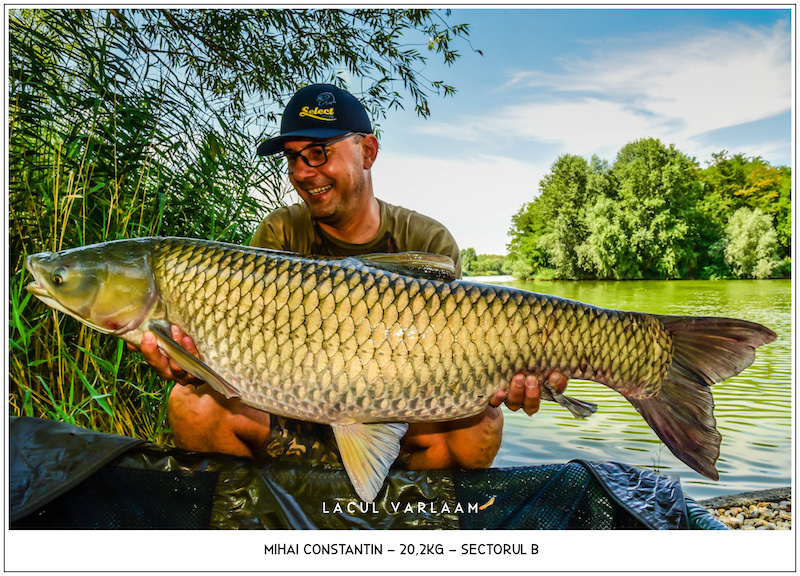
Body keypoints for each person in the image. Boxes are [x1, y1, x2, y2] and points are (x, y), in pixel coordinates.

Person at [132, 84, 569, 471]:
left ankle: (410, 519)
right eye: (293, 158)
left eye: (319, 153)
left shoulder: (426, 239)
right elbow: (245, 360)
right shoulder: (278, 234)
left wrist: (505, 379)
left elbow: (453, 354)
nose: (303, 172)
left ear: (368, 152)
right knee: (190, 405)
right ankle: (263, 521)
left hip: (401, 413)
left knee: (480, 427)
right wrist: (195, 367)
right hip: (296, 414)